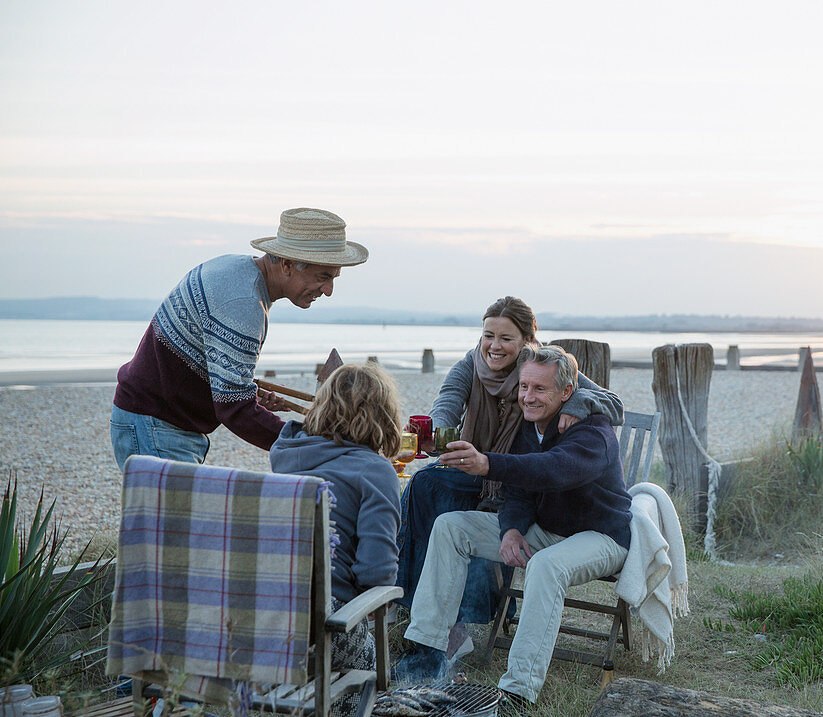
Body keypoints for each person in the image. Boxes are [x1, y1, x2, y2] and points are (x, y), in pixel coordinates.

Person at [399, 346, 632, 711]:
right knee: (450, 526)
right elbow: (521, 491)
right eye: (524, 387)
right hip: (547, 529)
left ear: (566, 392)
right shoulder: (530, 426)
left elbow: (552, 470)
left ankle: (517, 693)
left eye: (539, 389)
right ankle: (428, 652)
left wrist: (487, 463)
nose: (528, 397)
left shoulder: (593, 431)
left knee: (546, 565)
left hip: (600, 536)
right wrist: (510, 529)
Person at [109, 207, 368, 471]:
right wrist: (310, 445)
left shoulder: (238, 271)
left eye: (334, 278)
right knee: (171, 514)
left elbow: (224, 385)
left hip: (156, 421)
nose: (329, 291)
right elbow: (233, 409)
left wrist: (247, 394)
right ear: (288, 264)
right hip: (156, 425)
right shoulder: (244, 302)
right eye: (323, 277)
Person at [268, 363, 402, 717]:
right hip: (322, 626)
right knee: (373, 671)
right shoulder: (375, 471)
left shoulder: (285, 456)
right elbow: (376, 572)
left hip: (258, 616)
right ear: (382, 416)